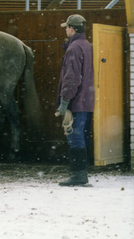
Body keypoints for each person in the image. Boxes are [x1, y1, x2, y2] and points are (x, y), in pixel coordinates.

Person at [55, 14, 94, 187]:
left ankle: (79, 176)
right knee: (82, 136)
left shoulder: (74, 48)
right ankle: (82, 173)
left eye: (66, 27)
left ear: (72, 28)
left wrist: (64, 103)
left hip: (76, 102)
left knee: (74, 137)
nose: (65, 30)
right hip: (87, 101)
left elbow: (71, 79)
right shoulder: (87, 45)